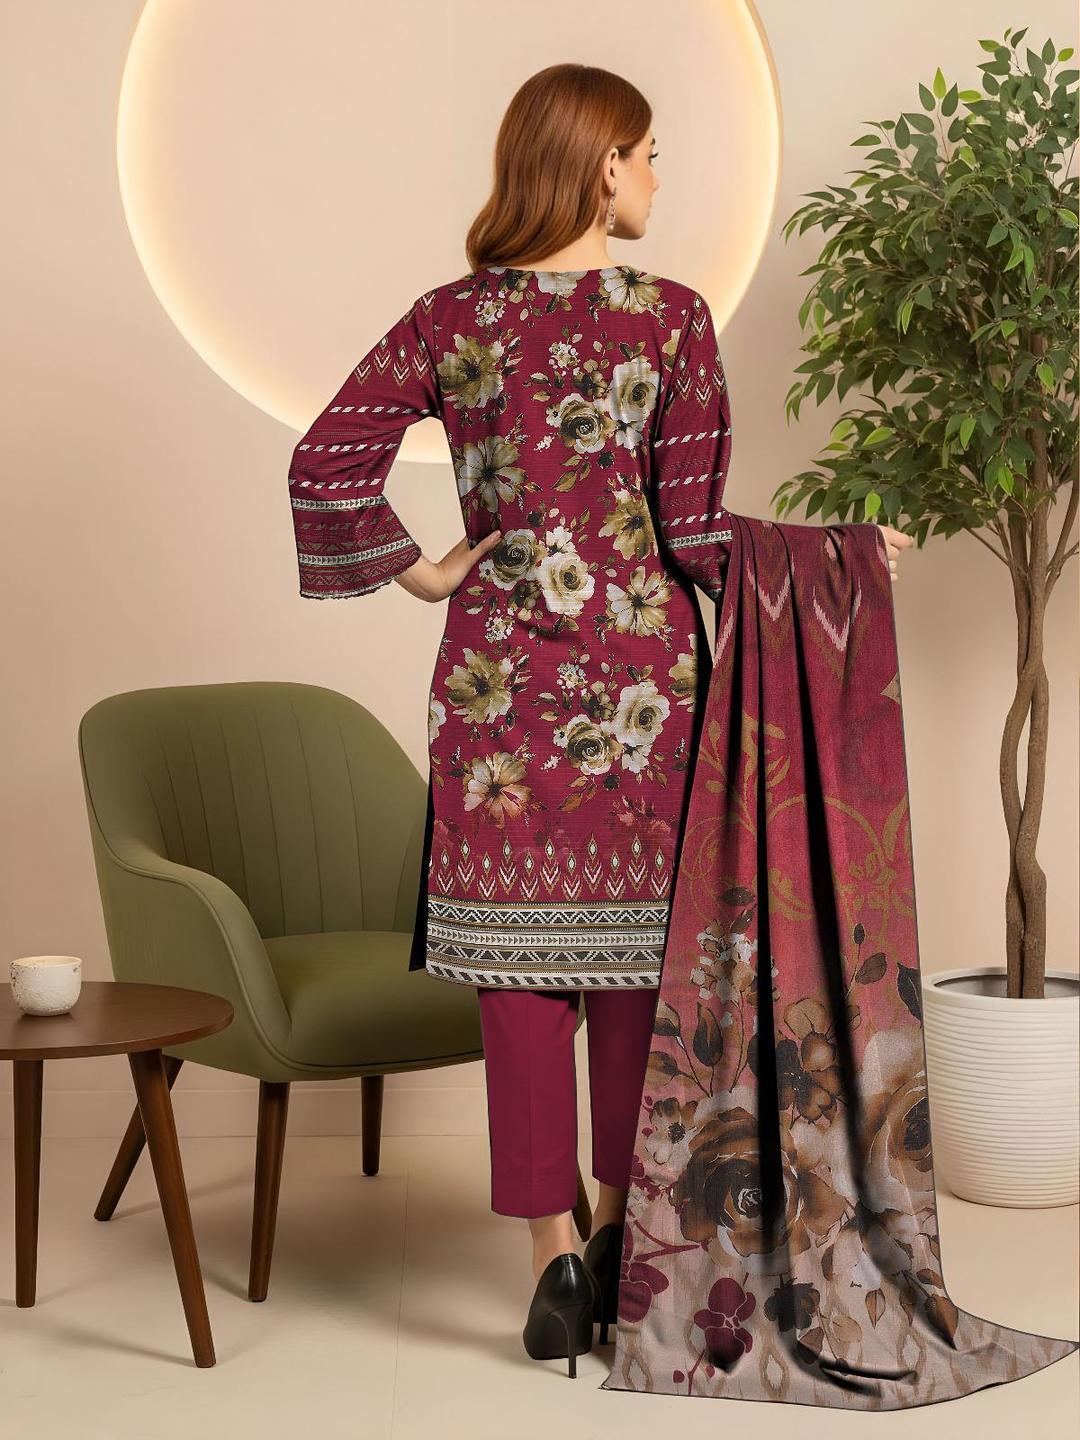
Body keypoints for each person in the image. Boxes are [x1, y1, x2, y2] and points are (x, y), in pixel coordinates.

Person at [287, 62, 910, 1379]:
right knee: (635, 972)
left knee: (517, 984)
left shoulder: (452, 320)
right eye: (647, 152)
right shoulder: (671, 320)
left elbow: (325, 458)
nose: (657, 176)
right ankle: (628, 1246)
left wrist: (425, 564)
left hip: (500, 695)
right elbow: (692, 533)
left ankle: (551, 1262)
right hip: (640, 703)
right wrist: (843, 559)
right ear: (601, 164)